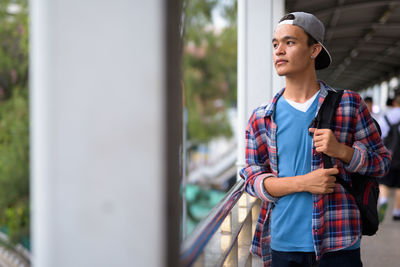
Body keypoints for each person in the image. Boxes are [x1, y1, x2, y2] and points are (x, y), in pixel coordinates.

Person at [239, 12, 391, 267]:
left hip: (339, 241)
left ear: (314, 50)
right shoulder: (262, 117)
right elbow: (252, 178)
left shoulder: (348, 104)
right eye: (275, 44)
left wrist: (343, 151)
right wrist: (303, 183)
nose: (279, 51)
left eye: (290, 42)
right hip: (282, 243)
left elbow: (382, 163)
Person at [377, 94, 400, 222]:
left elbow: (378, 134)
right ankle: (397, 212)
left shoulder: (387, 117)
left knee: (384, 183)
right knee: (399, 186)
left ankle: (384, 201)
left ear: (394, 103)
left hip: (389, 156)